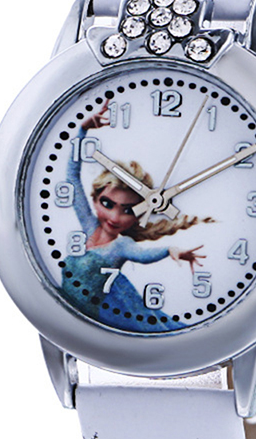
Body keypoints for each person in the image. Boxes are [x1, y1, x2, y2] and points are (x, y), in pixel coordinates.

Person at [62, 102, 212, 332]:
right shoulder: (88, 225)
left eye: (129, 210)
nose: (114, 217)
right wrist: (83, 130)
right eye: (107, 204)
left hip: (94, 326)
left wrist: (170, 250)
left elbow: (143, 255)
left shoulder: (121, 245)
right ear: (95, 199)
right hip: (69, 318)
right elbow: (72, 178)